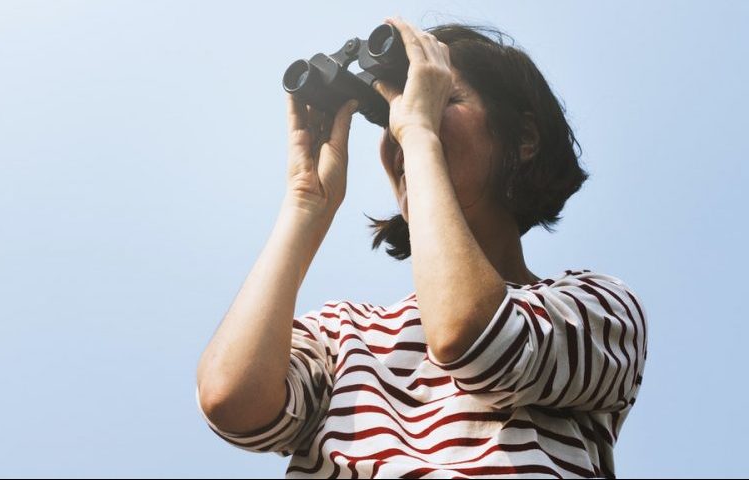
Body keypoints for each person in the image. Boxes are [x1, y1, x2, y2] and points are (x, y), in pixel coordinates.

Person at [195, 16, 647, 479]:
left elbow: (474, 340)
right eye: (390, 118)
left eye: (440, 99)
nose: (401, 127)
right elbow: (233, 401)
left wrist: (419, 134)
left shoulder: (597, 307)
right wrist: (306, 205)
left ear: (525, 138)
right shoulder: (347, 332)